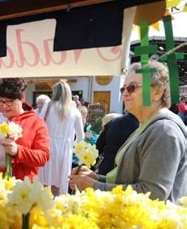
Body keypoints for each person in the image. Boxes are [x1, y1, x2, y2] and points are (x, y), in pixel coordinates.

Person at [69, 60, 186, 203]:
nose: (125, 93)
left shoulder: (164, 131)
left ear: (157, 92)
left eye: (132, 87)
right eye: (122, 89)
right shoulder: (146, 126)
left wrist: (95, 186)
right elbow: (129, 178)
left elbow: (153, 195)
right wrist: (96, 178)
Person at [38, 80, 84, 195]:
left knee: (44, 183)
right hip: (65, 151)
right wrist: (71, 146)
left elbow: (38, 124)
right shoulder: (75, 112)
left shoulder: (48, 106)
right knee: (59, 185)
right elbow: (80, 137)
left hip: (47, 148)